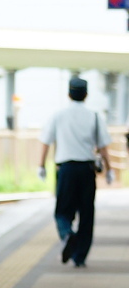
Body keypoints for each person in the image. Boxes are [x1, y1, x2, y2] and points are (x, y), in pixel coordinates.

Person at [38, 76, 111, 267]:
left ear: (69, 94)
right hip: (87, 170)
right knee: (87, 214)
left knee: (62, 212)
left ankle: (67, 234)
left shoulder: (58, 115)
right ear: (86, 95)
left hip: (66, 169)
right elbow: (103, 146)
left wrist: (41, 165)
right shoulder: (94, 116)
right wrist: (109, 169)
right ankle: (80, 257)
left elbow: (46, 141)